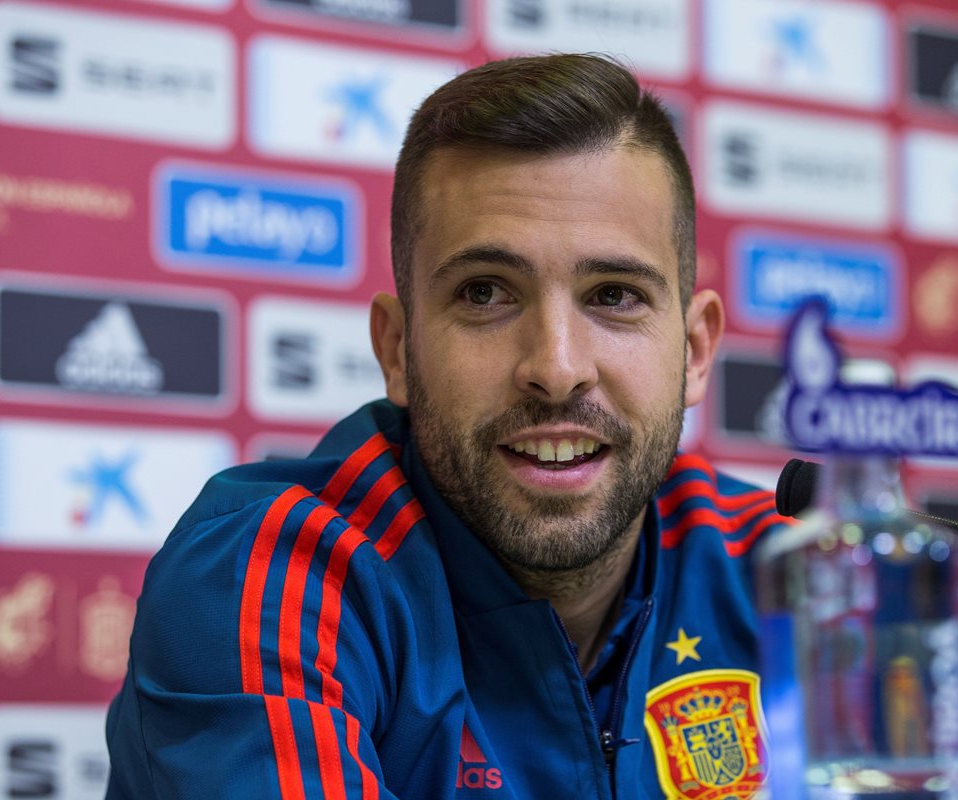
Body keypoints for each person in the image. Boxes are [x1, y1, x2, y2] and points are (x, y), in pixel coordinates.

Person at [106, 53, 790, 799]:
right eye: (486, 292)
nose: (557, 368)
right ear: (398, 350)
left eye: (615, 296)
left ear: (693, 353)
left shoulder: (798, 574)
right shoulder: (263, 581)